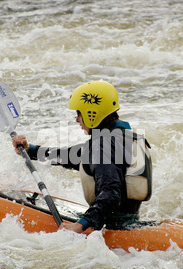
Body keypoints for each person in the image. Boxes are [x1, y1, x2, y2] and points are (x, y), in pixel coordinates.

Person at [12, 80, 152, 233]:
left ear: (91, 113)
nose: (77, 119)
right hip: (130, 223)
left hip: (112, 226)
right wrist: (30, 149)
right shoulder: (125, 138)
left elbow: (111, 193)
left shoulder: (103, 144)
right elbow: (68, 155)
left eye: (78, 113)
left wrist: (81, 225)